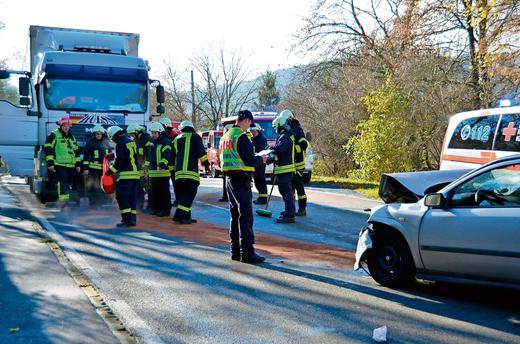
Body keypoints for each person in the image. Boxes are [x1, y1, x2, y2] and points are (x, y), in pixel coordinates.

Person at [220, 110, 267, 263]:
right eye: (249, 124)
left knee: (234, 217)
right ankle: (247, 253)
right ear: (246, 120)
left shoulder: (226, 136)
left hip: (230, 180)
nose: (250, 127)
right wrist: (262, 159)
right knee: (246, 217)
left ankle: (235, 251)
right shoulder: (241, 136)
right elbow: (249, 160)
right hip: (241, 180)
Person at [171, 120, 209, 224]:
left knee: (183, 196)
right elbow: (201, 153)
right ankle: (179, 216)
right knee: (189, 196)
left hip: (178, 174)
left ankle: (187, 217)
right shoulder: (196, 137)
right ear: (191, 127)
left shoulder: (176, 139)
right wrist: (207, 165)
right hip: (191, 174)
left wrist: (171, 171)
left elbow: (171, 156)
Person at [106, 126, 141, 227]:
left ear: (113, 136)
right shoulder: (130, 141)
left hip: (126, 175)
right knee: (132, 198)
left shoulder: (120, 143)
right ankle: (133, 220)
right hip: (135, 174)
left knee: (121, 196)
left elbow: (120, 161)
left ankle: (127, 220)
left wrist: (110, 171)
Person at [44, 117, 81, 205]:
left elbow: (76, 151)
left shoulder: (72, 137)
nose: (66, 127)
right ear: (61, 126)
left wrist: (78, 164)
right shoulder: (53, 135)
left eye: (68, 126)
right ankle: (63, 203)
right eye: (64, 125)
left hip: (71, 166)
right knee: (62, 183)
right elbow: (48, 148)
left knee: (69, 184)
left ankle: (67, 202)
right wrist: (50, 163)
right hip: (59, 164)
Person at [281, 109, 309, 216]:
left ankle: (302, 208)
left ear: (290, 119)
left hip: (298, 164)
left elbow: (304, 145)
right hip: (290, 164)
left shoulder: (297, 129)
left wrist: (292, 150)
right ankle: (290, 209)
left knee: (298, 186)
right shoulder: (287, 129)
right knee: (290, 188)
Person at [270, 114, 296, 224]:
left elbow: (281, 149)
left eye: (276, 127)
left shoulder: (285, 136)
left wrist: (272, 149)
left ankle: (290, 215)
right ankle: (288, 211)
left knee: (286, 193)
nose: (275, 129)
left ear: (280, 125)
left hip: (285, 169)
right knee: (285, 192)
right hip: (283, 169)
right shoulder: (284, 135)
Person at [146, 122, 172, 217]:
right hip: (153, 173)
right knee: (154, 193)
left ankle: (165, 210)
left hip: (162, 173)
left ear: (160, 132)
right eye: (152, 133)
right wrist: (146, 167)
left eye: (154, 133)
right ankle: (156, 209)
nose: (153, 135)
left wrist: (162, 163)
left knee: (164, 193)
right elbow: (150, 157)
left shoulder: (166, 142)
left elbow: (167, 154)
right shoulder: (153, 142)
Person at [82, 125, 110, 206]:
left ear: (102, 134)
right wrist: (86, 168)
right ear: (94, 134)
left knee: (102, 186)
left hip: (103, 170)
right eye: (97, 134)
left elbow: (110, 156)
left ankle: (101, 203)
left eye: (100, 134)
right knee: (93, 187)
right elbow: (86, 157)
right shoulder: (90, 143)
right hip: (93, 169)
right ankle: (93, 203)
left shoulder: (106, 142)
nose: (98, 135)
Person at [127, 124, 153, 211]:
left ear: (137, 132)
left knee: (149, 188)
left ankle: (150, 207)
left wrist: (146, 166)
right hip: (139, 168)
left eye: (132, 134)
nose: (131, 136)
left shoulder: (147, 138)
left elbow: (150, 151)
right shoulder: (136, 139)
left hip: (147, 167)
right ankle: (139, 206)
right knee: (139, 188)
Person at [159, 117, 180, 206]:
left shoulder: (174, 136)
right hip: (166, 163)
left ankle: (178, 200)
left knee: (176, 184)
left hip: (173, 164)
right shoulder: (164, 135)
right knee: (165, 184)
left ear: (165, 126)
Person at [250, 124, 269, 205]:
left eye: (254, 131)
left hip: (260, 162)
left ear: (258, 130)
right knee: (257, 180)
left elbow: (261, 152)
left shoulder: (261, 139)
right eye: (252, 131)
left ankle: (263, 198)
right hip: (256, 162)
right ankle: (261, 197)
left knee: (260, 180)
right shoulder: (254, 139)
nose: (253, 133)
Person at [218, 124, 233, 202]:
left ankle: (226, 197)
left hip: (227, 165)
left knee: (227, 183)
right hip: (229, 165)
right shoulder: (230, 139)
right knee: (226, 183)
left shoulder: (224, 139)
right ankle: (225, 197)